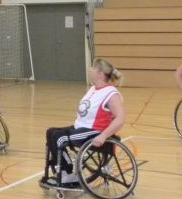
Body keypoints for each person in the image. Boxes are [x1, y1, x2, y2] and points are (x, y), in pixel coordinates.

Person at [42, 58, 126, 186]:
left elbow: (120, 118)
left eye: (93, 68)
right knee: (51, 132)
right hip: (81, 128)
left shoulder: (111, 94)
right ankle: (62, 170)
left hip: (95, 131)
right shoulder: (93, 89)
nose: (89, 70)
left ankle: (68, 173)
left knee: (59, 138)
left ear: (100, 74)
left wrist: (103, 136)